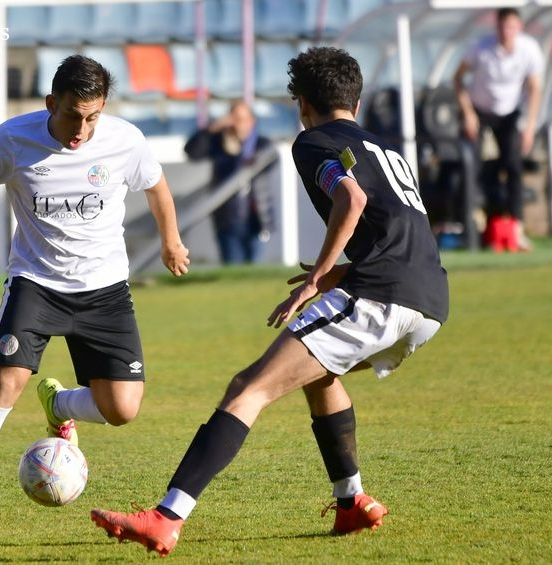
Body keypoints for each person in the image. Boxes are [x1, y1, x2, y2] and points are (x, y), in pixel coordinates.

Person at [90, 46, 450, 556]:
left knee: (248, 387)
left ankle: (166, 518)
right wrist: (341, 272)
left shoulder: (314, 141)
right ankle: (351, 504)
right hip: (430, 298)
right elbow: (401, 231)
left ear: (301, 103)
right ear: (358, 98)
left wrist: (317, 279)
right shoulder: (383, 147)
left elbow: (352, 199)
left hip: (382, 295)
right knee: (321, 373)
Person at [0, 55, 190, 526]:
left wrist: (171, 239)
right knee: (3, 384)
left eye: (92, 116)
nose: (81, 129)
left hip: (105, 290)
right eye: (72, 114)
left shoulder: (125, 139)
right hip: (37, 284)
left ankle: (59, 403)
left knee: (122, 409)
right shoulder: (13, 139)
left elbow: (156, 186)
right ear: (51, 102)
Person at [453, 7, 544, 252]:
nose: (507, 32)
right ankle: (470, 226)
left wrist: (530, 126)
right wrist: (468, 114)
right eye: (503, 27)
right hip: (479, 111)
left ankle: (517, 229)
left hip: (510, 115)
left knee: (514, 166)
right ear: (497, 27)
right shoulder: (481, 48)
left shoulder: (529, 50)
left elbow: (534, 88)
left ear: (519, 28)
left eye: (512, 27)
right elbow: (457, 79)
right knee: (472, 166)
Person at [183, 100, 277, 264]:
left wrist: (251, 161)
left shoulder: (261, 144)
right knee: (232, 266)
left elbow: (272, 160)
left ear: (251, 121)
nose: (238, 124)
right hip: (227, 219)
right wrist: (212, 129)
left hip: (256, 217)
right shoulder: (219, 143)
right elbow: (192, 152)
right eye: (234, 119)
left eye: (242, 119)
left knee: (254, 266)